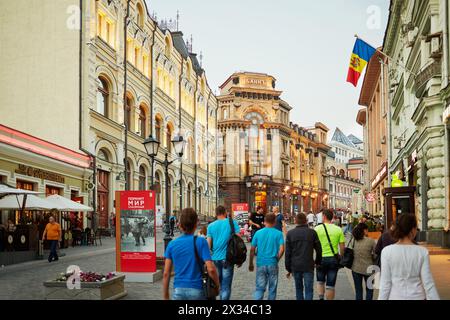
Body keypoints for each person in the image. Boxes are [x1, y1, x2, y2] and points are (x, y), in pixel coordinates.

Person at [379, 214, 439, 300]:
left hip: (395, 296)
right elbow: (428, 283)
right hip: (418, 296)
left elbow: (385, 283)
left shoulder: (387, 251)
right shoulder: (422, 252)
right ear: (413, 230)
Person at [163, 208, 219, 300]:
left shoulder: (172, 244)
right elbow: (211, 269)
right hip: (197, 289)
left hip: (178, 290)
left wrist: (166, 296)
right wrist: (217, 286)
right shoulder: (201, 242)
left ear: (180, 225)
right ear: (196, 224)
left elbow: (166, 273)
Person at [207, 206, 240, 300]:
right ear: (225, 212)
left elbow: (208, 245)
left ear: (216, 213)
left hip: (215, 259)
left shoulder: (211, 226)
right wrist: (239, 259)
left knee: (219, 283)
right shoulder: (232, 223)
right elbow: (238, 240)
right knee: (226, 285)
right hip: (228, 258)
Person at [285, 213, 322, 300]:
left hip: (296, 265)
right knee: (309, 290)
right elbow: (319, 250)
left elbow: (288, 253)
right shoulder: (312, 233)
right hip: (308, 265)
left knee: (298, 289)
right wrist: (317, 262)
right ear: (306, 221)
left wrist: (288, 268)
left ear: (295, 221)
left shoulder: (290, 234)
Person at [249, 213, 285, 300]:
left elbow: (252, 249)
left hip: (261, 263)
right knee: (272, 288)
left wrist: (251, 263)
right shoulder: (279, 233)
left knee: (259, 288)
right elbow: (282, 249)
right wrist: (277, 258)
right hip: (273, 262)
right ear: (274, 222)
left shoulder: (258, 233)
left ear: (264, 221)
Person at [314, 209, 345, 300]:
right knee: (330, 285)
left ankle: (321, 298)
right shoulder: (338, 229)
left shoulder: (317, 229)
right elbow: (342, 246)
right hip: (333, 259)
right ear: (332, 218)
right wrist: (341, 257)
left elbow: (312, 244)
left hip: (320, 259)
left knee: (320, 281)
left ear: (324, 217)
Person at [350, 223, 376, 300]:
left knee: (358, 291)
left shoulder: (354, 240)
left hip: (356, 268)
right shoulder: (371, 241)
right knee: (369, 290)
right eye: (367, 229)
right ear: (364, 230)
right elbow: (375, 255)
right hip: (369, 269)